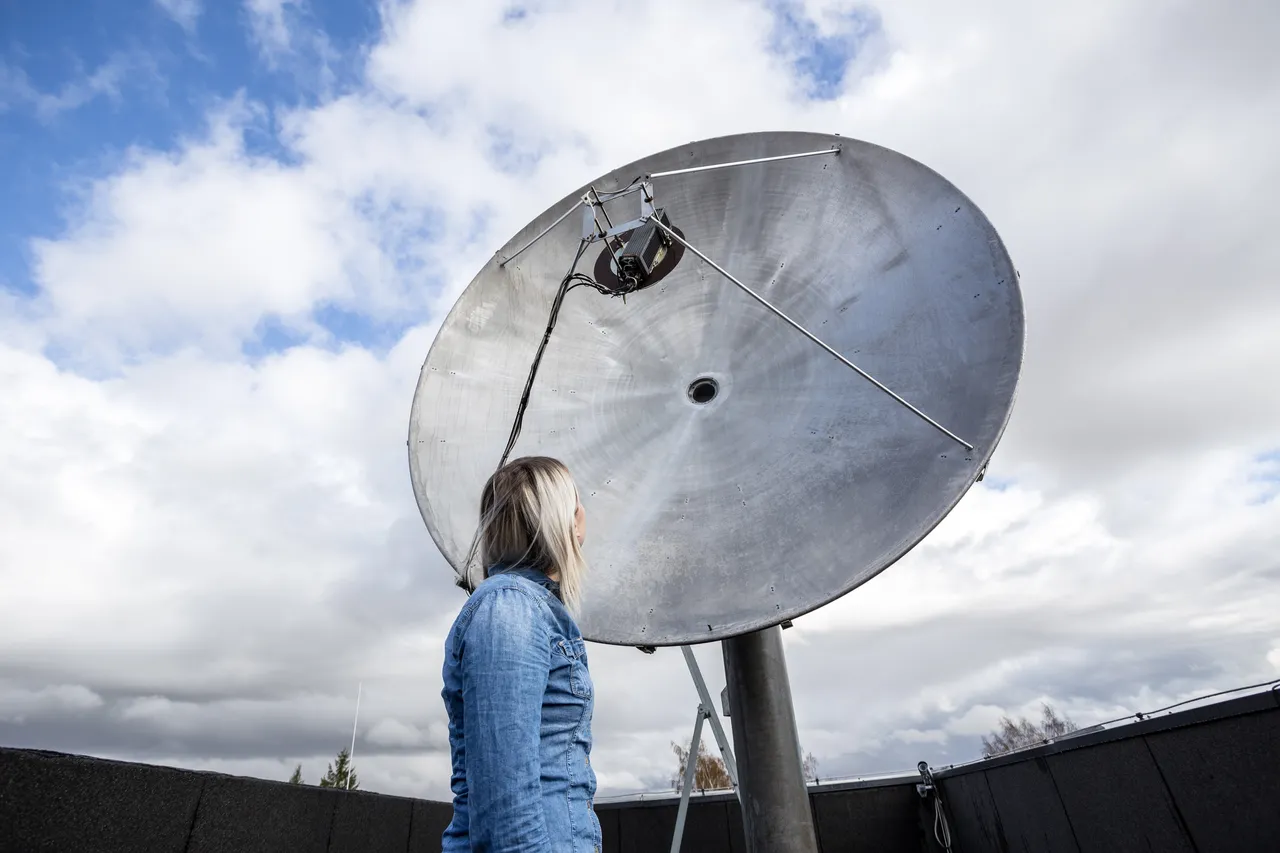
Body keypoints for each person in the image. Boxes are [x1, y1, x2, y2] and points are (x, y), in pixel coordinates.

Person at [441, 456, 601, 853]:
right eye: (577, 502)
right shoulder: (511, 608)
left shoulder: (525, 610)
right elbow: (506, 802)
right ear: (569, 521)